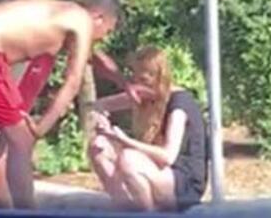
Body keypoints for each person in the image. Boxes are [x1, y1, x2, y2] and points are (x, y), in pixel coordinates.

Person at [0, 0, 130, 209]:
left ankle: (5, 209)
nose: (103, 37)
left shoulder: (59, 12)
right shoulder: (81, 18)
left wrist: (124, 83)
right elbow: (73, 81)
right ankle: (28, 211)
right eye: (107, 31)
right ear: (98, 17)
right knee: (22, 140)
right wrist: (41, 128)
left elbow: (93, 57)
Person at [88, 46, 208, 212]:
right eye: (134, 79)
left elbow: (168, 157)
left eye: (142, 80)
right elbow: (99, 105)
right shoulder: (143, 95)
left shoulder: (178, 104)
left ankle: (148, 213)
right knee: (98, 147)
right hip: (156, 171)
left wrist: (124, 140)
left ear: (157, 78)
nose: (136, 86)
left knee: (129, 158)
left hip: (182, 182)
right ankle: (126, 207)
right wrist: (102, 119)